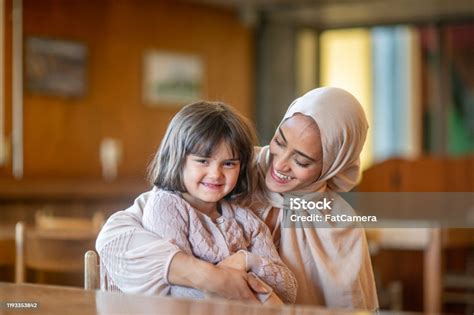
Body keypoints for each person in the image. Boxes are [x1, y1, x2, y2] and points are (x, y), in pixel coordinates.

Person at [96, 87, 379, 309]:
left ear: (333, 165)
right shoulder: (235, 168)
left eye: (302, 161)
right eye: (280, 142)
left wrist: (247, 263)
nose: (279, 165)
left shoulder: (340, 225)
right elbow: (115, 238)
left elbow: (351, 305)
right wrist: (206, 274)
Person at [97, 101, 297, 304]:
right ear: (178, 159)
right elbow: (176, 292)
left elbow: (289, 289)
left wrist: (246, 260)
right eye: (203, 161)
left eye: (229, 164)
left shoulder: (246, 220)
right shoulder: (166, 206)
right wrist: (240, 287)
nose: (215, 174)